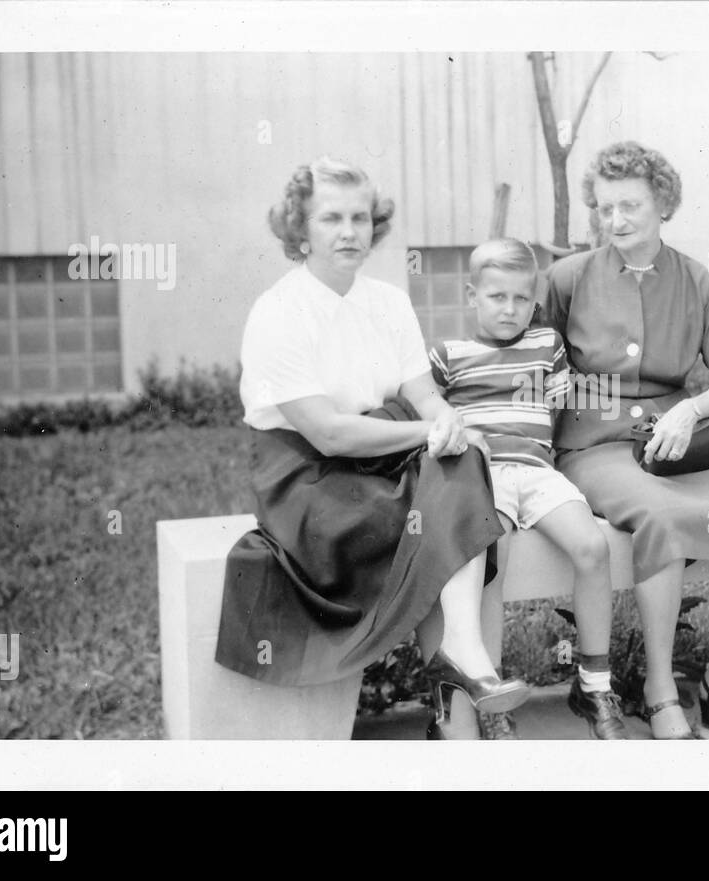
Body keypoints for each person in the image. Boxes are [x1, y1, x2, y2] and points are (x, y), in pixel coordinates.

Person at [215, 156, 528, 738]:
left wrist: (447, 420)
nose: (349, 232)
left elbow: (423, 393)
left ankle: (461, 655)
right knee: (452, 489)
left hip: (382, 457)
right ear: (299, 229)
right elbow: (328, 432)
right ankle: (460, 670)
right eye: (331, 218)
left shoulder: (386, 301)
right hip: (311, 481)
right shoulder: (278, 312)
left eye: (361, 217)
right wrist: (425, 430)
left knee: (466, 455)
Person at [543, 141, 709, 740]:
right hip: (596, 447)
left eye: (630, 205)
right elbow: (533, 371)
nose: (616, 221)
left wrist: (691, 407)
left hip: (677, 443)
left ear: (664, 203)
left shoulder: (696, 280)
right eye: (604, 209)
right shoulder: (567, 278)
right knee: (660, 517)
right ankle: (659, 687)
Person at [428, 238, 628, 740]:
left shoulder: (547, 347)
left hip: (537, 472)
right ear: (472, 294)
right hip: (482, 476)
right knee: (491, 558)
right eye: (497, 297)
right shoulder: (449, 356)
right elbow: (430, 419)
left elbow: (556, 415)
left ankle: (594, 684)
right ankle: (491, 697)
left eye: (521, 298)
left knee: (592, 545)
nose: (510, 309)